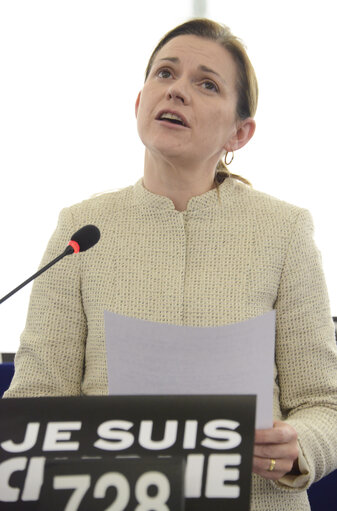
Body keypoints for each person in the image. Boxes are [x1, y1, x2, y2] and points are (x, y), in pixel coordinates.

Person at [4, 18, 337, 511]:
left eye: (207, 84)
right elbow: (35, 402)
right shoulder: (81, 229)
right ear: (139, 104)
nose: (177, 91)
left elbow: (325, 405)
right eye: (165, 73)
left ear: (239, 133)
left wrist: (298, 444)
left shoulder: (284, 231)